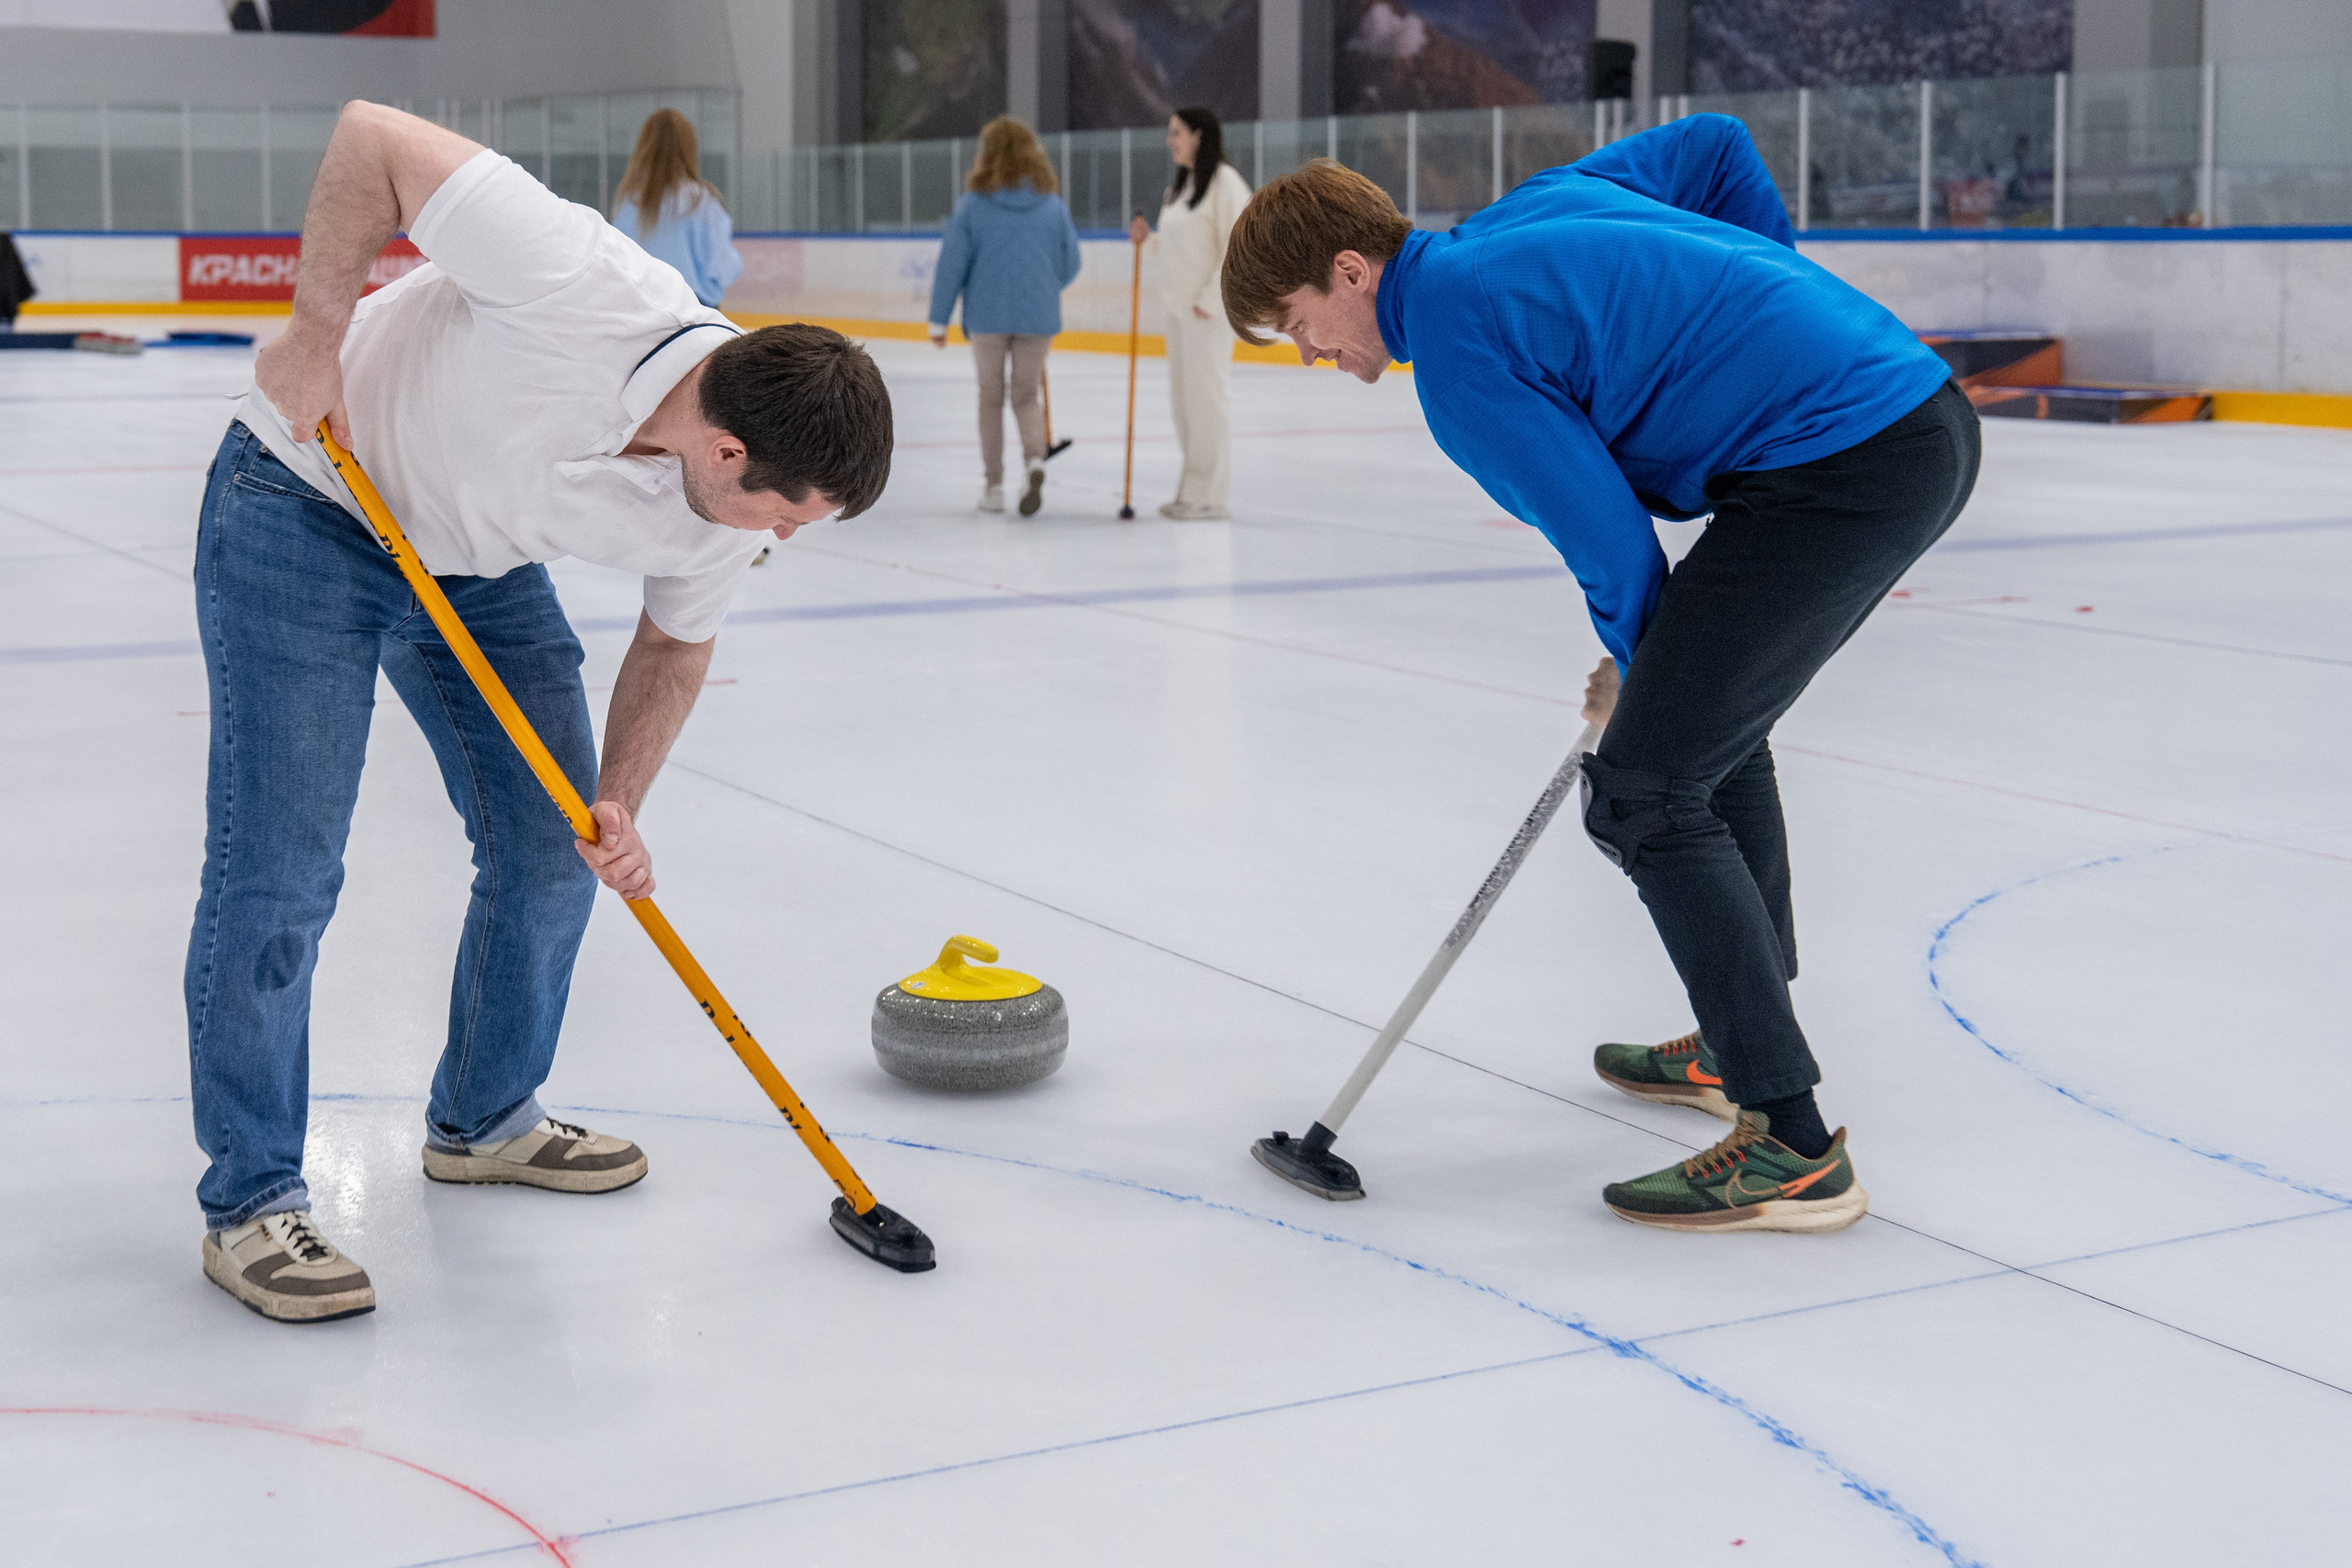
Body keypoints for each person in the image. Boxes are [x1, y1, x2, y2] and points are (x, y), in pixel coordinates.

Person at [193, 101, 893, 1322]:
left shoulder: (725, 509)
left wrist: (617, 797)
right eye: (784, 513)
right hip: (308, 498)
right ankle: (252, 1198)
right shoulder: (574, 280)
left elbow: (674, 647)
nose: (784, 537)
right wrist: (315, 333)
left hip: (474, 556)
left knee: (553, 844)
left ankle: (483, 1115)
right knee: (282, 875)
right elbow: (371, 136)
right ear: (725, 450)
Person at [1220, 118, 1978, 1235]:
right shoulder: (1529, 206)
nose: (1309, 355)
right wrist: (1775, 307)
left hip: (1844, 464)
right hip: (1891, 421)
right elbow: (1718, 149)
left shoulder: (1458, 355)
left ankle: (1794, 1147)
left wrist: (1640, 662)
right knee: (1702, 749)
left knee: (1641, 791)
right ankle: (1735, 1045)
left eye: (1297, 326)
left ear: (1349, 272)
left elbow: (1614, 550)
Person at [928, 116, 1081, 516]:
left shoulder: (973, 206)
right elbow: (1071, 263)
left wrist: (937, 320)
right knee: (1027, 396)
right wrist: (1045, 288)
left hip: (988, 317)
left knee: (991, 399)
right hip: (1038, 316)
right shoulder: (1052, 206)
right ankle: (1034, 461)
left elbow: (952, 266)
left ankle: (994, 486)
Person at [1127, 107, 1250, 521]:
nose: (1170, 140)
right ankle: (1192, 489)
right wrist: (1151, 240)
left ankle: (1211, 495)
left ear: (1200, 135)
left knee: (1207, 402)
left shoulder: (1225, 183)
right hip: (1178, 312)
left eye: (1177, 132)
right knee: (1184, 404)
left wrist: (1209, 300)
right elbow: (1186, 245)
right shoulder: (1182, 187)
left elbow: (1239, 246)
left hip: (1206, 313)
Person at [611, 108, 742, 308]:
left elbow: (619, 260)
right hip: (695, 313)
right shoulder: (700, 201)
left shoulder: (629, 201)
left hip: (642, 310)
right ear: (689, 148)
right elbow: (722, 266)